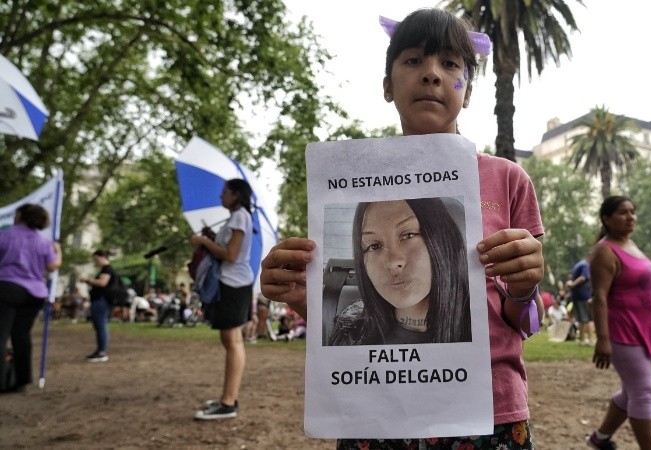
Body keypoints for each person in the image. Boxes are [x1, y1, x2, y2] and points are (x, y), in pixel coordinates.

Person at [260, 8, 544, 448]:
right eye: (413, 60)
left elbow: (523, 320)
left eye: (450, 65)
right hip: (375, 413)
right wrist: (296, 292)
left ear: (466, 91)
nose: (431, 74)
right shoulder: (345, 181)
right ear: (388, 86)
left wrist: (526, 287)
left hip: (487, 410)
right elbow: (337, 331)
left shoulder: (508, 179)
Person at [586, 196, 651, 450]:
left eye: (633, 212)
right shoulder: (605, 250)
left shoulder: (630, 244)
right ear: (607, 219)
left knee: (631, 390)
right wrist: (602, 339)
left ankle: (599, 439)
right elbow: (599, 296)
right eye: (623, 212)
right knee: (642, 392)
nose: (631, 216)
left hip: (645, 331)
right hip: (623, 331)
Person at [327, 198, 471, 345]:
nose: (392, 262)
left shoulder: (485, 326)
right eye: (374, 246)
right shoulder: (350, 335)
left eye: (409, 235)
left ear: (442, 241)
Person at [189, 178, 255, 420]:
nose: (220, 197)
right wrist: (212, 236)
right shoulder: (237, 217)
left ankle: (228, 402)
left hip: (233, 283)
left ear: (236, 194)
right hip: (233, 283)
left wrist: (203, 241)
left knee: (232, 341)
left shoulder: (239, 216)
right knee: (231, 341)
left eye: (224, 192)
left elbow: (231, 254)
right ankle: (228, 397)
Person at [0, 204, 61, 393]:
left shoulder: (5, 235)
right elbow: (52, 266)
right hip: (35, 293)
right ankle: (22, 380)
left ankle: (2, 380)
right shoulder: (43, 242)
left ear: (19, 215)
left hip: (7, 288)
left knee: (1, 335)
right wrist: (58, 252)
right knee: (21, 335)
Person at [80, 250, 120, 362]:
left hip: (102, 301)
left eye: (96, 259)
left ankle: (102, 351)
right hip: (100, 300)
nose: (95, 262)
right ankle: (100, 350)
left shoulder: (107, 269)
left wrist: (87, 280)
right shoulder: (106, 269)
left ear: (102, 257)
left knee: (101, 325)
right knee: (99, 325)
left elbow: (102, 283)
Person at [566, 257, 594, 345]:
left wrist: (572, 284)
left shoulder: (582, 264)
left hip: (581, 296)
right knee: (585, 318)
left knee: (584, 318)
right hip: (582, 295)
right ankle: (586, 339)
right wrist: (573, 284)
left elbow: (582, 278)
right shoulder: (585, 265)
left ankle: (585, 340)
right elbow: (583, 277)